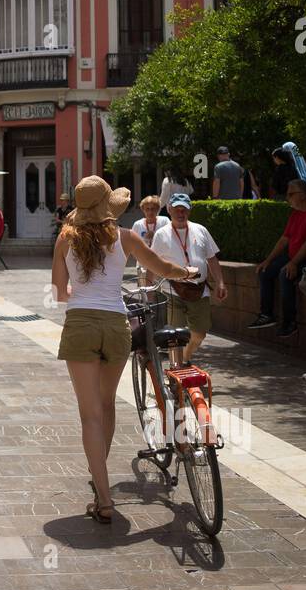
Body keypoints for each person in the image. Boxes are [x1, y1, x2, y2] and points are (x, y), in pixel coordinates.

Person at [53, 176, 201, 524]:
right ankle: (100, 478)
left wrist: (84, 297)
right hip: (117, 326)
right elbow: (162, 269)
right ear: (109, 208)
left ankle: (104, 498)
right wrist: (188, 271)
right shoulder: (126, 237)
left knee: (89, 415)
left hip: (80, 327)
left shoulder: (64, 239)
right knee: (106, 405)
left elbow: (60, 292)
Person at [149, 194, 227, 363]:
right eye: (176, 209)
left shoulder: (201, 230)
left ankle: (185, 355)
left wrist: (220, 282)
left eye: (184, 209)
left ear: (189, 211)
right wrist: (149, 289)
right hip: (173, 289)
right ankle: (177, 368)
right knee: (175, 334)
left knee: (200, 332)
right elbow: (153, 262)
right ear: (169, 210)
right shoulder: (161, 234)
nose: (180, 213)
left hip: (199, 289)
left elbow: (212, 259)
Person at [248, 179, 306, 337]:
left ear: (303, 195)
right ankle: (266, 314)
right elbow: (284, 239)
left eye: (291, 194)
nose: (287, 198)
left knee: (285, 274)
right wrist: (267, 260)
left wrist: (293, 263)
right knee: (265, 271)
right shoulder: (295, 213)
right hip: (292, 257)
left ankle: (290, 322)